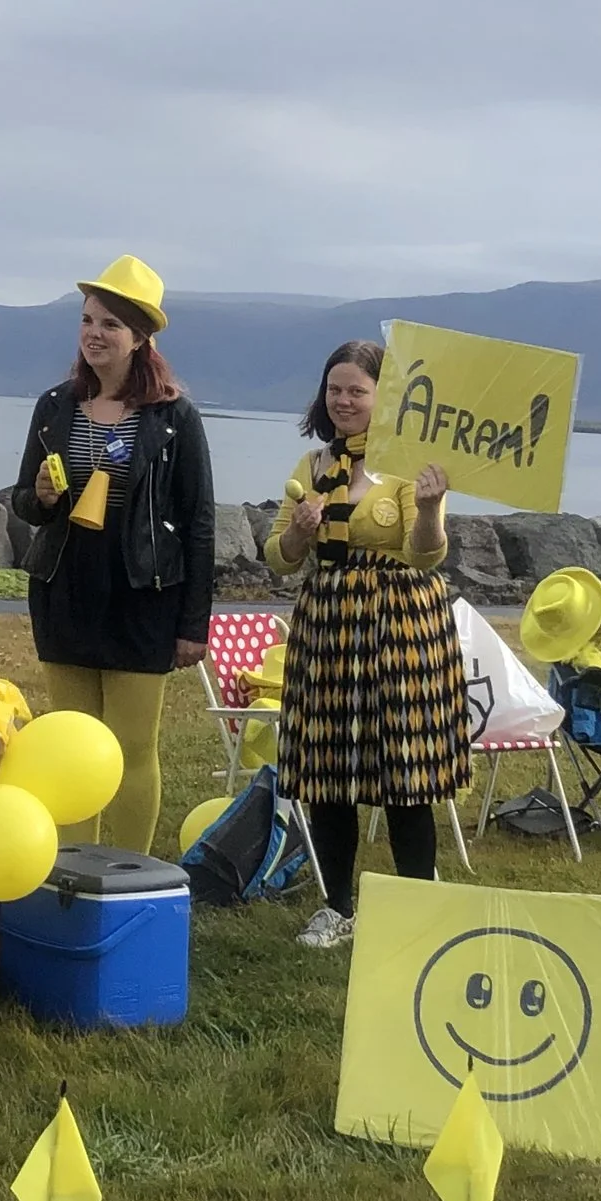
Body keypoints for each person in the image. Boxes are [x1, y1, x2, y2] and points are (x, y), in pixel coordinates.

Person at [9, 258, 214, 854]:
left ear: (141, 338)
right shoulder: (54, 406)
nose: (94, 334)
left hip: (143, 598)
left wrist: (192, 626)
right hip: (64, 591)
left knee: (130, 748)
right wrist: (41, 498)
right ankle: (73, 866)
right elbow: (25, 500)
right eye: (87, 320)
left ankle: (127, 874)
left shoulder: (175, 416)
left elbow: (198, 522)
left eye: (111, 325)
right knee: (73, 743)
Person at [263, 341, 463, 949]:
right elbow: (278, 560)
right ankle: (337, 907)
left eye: (357, 390)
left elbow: (426, 554)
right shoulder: (311, 465)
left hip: (401, 625)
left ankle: (417, 906)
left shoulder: (411, 467)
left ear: (385, 398)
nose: (343, 400)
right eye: (335, 389)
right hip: (328, 626)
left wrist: (428, 508)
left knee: (407, 770)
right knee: (328, 771)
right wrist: (299, 534)